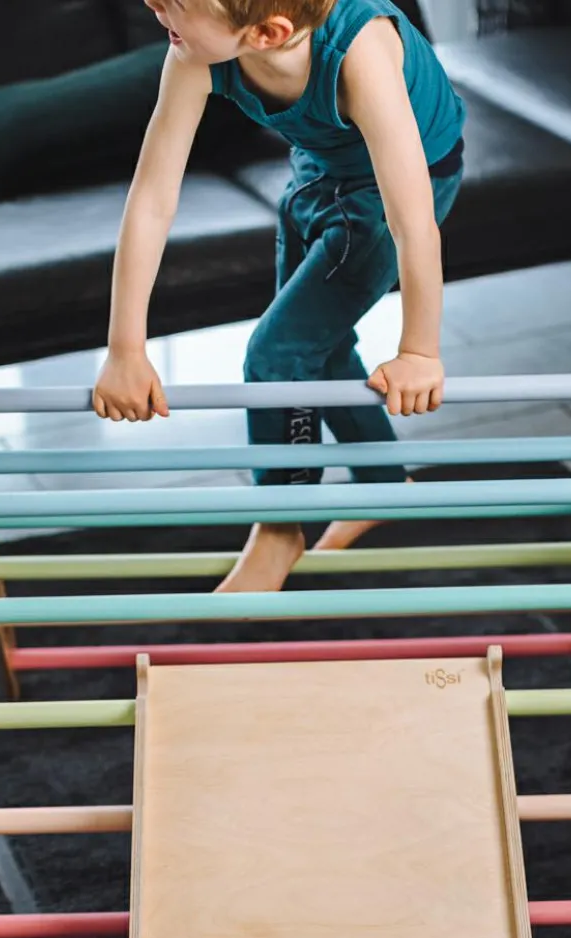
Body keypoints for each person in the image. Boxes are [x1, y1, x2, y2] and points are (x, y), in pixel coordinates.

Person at [92, 0, 466, 592]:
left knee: (277, 354)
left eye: (172, 4)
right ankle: (385, 486)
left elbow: (412, 220)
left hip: (397, 189)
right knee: (317, 346)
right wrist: (125, 349)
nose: (152, 6)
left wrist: (419, 350)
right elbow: (152, 198)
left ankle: (280, 524)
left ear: (268, 33)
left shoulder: (360, 52)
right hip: (319, 168)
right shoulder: (195, 50)